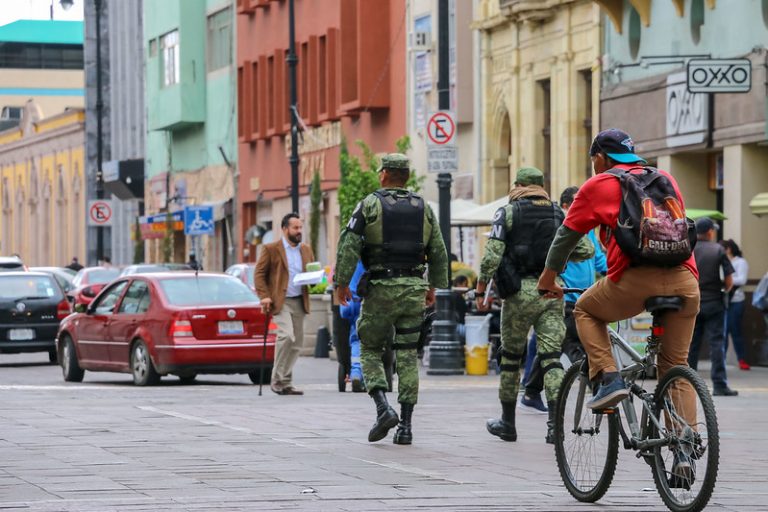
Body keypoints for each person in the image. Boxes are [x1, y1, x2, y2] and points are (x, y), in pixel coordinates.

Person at [537, 128, 700, 411]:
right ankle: (684, 445)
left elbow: (565, 239)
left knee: (585, 310)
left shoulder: (598, 184)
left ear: (600, 157)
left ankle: (609, 379)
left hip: (633, 279)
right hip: (685, 279)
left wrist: (548, 279)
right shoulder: (665, 178)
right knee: (675, 365)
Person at [335, 153, 449, 445]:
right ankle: (406, 427)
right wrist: (433, 286)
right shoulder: (423, 207)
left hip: (381, 288)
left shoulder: (370, 204)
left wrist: (341, 283)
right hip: (413, 288)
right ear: (407, 176)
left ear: (384, 174)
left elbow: (349, 244)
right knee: (408, 354)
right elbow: (438, 249)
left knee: (371, 348)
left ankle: (383, 407)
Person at [475, 167, 594, 444]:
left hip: (517, 294)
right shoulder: (557, 214)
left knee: (511, 360)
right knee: (551, 358)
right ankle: (554, 426)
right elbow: (586, 250)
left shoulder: (507, 213)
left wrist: (481, 289)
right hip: (551, 291)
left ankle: (507, 423)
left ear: (518, 185)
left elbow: (492, 256)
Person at [521, 185, 607, 414]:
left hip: (585, 294)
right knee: (573, 341)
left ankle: (531, 390)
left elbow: (598, 259)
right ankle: (597, 385)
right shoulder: (560, 224)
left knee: (556, 345)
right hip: (565, 294)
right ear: (567, 205)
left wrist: (615, 271)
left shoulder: (587, 227)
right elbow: (553, 256)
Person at [254, 212, 315, 395]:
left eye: (300, 228)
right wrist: (264, 296)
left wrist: (315, 277)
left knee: (297, 343)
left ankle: (286, 381)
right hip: (280, 301)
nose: (299, 231)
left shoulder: (306, 249)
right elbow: (259, 274)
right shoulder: (271, 248)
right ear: (284, 229)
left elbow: (311, 273)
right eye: (295, 228)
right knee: (286, 336)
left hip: (299, 300)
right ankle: (277, 378)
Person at [688, 218, 737, 395]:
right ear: (710, 232)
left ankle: (689, 383)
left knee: (692, 344)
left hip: (693, 302)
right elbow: (729, 280)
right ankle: (719, 385)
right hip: (715, 302)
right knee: (717, 343)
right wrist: (724, 290)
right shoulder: (718, 250)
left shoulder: (689, 249)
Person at [720, 239, 750, 370]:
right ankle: (721, 360)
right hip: (723, 299)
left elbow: (742, 279)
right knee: (723, 331)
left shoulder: (740, 262)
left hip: (736, 300)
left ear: (729, 249)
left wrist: (726, 280)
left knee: (735, 330)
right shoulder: (723, 261)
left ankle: (741, 359)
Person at [339, 261, 367, 392]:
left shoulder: (350, 256)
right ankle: (365, 375)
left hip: (352, 303)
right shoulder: (374, 253)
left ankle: (355, 372)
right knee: (370, 341)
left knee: (355, 338)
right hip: (370, 302)